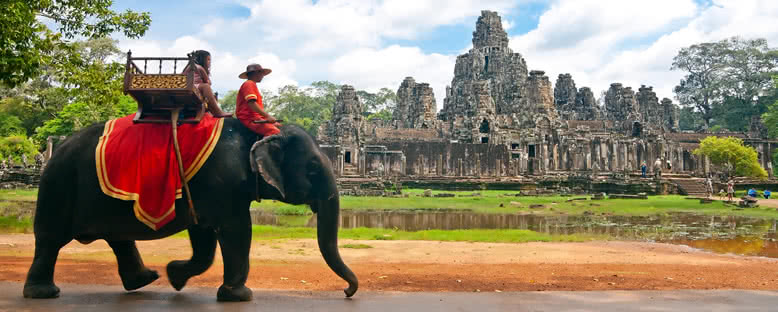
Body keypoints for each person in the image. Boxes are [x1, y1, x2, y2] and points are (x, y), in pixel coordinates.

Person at [235, 63, 281, 137]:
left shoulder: (252, 84)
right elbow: (251, 103)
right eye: (262, 73)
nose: (263, 76)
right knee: (274, 132)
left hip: (256, 117)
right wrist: (267, 116)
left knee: (279, 126)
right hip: (249, 118)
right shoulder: (249, 84)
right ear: (256, 73)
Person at [183, 50, 232, 118]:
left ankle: (213, 110)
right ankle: (217, 111)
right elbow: (208, 82)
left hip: (190, 86)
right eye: (208, 60)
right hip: (193, 87)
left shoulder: (189, 66)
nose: (210, 62)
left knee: (208, 90)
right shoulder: (199, 68)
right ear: (202, 60)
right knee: (206, 87)